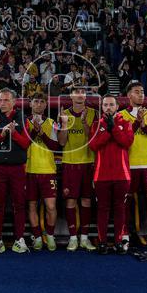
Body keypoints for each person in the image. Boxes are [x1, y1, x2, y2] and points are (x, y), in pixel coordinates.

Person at [0, 89, 31, 254]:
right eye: (0, 100)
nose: (2, 103)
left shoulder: (23, 119)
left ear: (14, 102)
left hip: (17, 168)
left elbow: (26, 144)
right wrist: (2, 135)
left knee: (20, 204)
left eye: (5, 100)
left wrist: (14, 133)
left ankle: (20, 239)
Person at [119, 81, 147, 251]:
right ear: (129, 95)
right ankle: (125, 238)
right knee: (125, 202)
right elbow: (122, 139)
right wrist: (137, 123)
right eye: (137, 91)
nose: (141, 94)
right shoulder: (121, 115)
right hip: (128, 165)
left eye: (142, 91)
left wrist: (145, 127)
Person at [86, 95, 134, 253]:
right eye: (105, 105)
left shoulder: (126, 123)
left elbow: (126, 142)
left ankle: (119, 241)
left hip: (122, 174)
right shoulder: (96, 125)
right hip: (101, 175)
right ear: (102, 107)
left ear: (117, 106)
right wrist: (108, 130)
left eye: (111, 104)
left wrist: (113, 128)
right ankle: (102, 243)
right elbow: (93, 146)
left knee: (120, 208)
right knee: (103, 209)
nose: (108, 107)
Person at [56, 85, 97, 251]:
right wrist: (65, 124)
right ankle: (73, 238)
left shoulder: (94, 113)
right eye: (76, 92)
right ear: (71, 96)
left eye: (83, 92)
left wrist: (85, 123)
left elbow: (94, 139)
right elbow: (61, 142)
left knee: (87, 199)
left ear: (86, 96)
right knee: (71, 200)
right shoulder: (64, 114)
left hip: (88, 162)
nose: (80, 94)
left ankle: (84, 238)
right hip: (70, 162)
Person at [24, 91, 60, 251]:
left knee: (51, 206)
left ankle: (50, 235)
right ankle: (38, 237)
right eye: (36, 101)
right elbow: (23, 144)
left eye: (42, 102)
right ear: (30, 103)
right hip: (29, 170)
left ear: (46, 104)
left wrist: (41, 134)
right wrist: (34, 132)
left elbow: (55, 146)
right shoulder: (23, 122)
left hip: (48, 169)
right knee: (31, 206)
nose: (38, 104)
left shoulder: (52, 123)